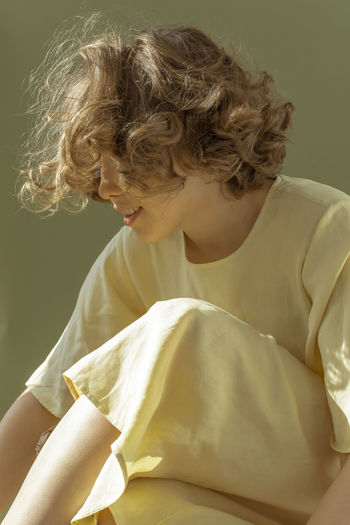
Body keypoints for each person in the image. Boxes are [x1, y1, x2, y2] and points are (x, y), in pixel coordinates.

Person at [1, 17, 350, 525]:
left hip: (318, 500)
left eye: (127, 157)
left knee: (178, 328)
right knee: (120, 496)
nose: (107, 187)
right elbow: (51, 401)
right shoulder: (136, 254)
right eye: (100, 165)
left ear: (193, 140)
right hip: (221, 500)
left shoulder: (328, 232)